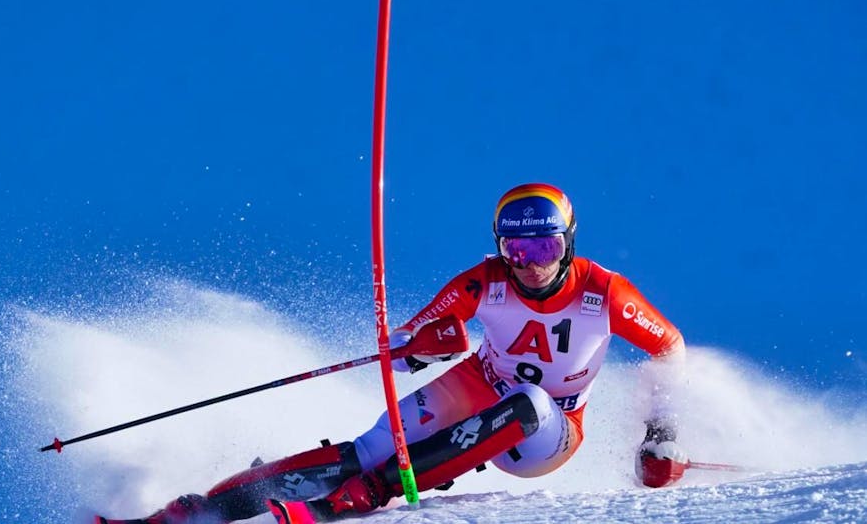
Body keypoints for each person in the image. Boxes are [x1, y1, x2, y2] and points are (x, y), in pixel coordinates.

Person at [97, 182, 688, 524]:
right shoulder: (485, 281)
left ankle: (360, 499)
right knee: (373, 445)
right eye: (516, 247)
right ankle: (200, 511)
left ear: (567, 242)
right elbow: (406, 345)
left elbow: (671, 348)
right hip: (480, 385)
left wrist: (659, 438)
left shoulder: (602, 292)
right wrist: (421, 348)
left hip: (547, 431)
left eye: (543, 244)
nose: (530, 262)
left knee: (529, 401)